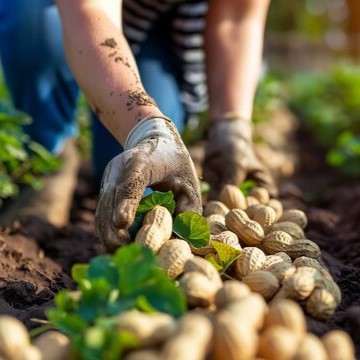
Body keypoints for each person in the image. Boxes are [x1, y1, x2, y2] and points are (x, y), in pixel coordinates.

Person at [0, 0, 276, 251]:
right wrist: (147, 130)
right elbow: (89, 8)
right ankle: (51, 159)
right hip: (68, 10)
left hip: (160, 29)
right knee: (32, 19)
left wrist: (231, 125)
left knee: (136, 178)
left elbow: (237, 18)